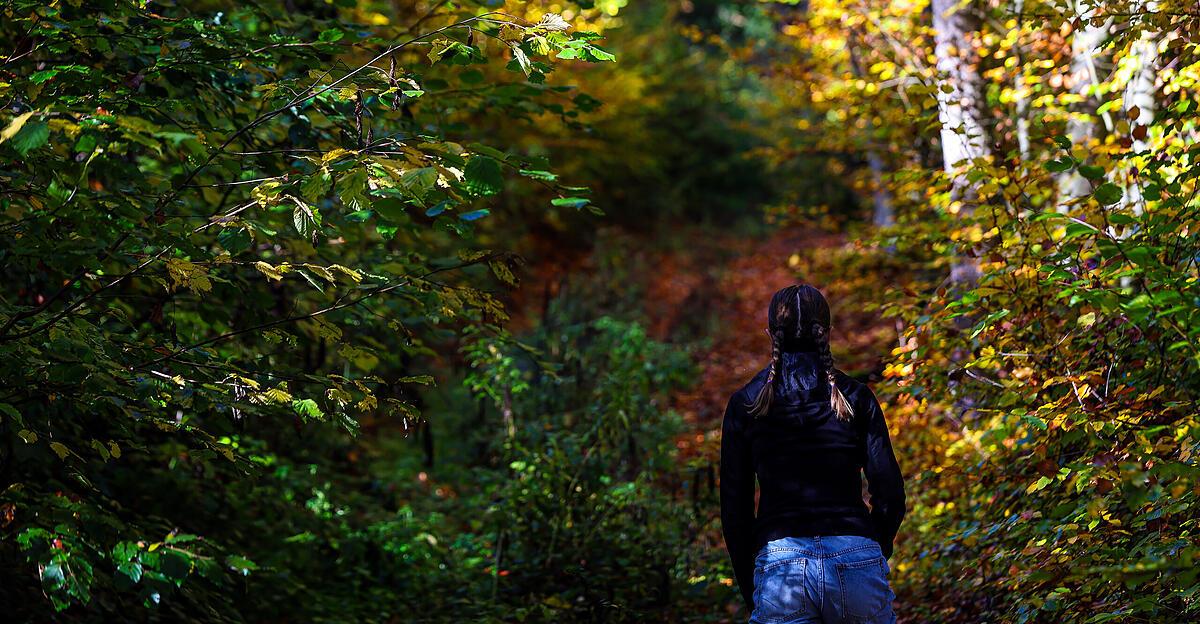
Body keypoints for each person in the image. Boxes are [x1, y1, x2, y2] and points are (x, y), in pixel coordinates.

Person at [720, 284, 906, 623]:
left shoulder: (745, 404)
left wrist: (752, 587)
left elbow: (736, 509)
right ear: (828, 332)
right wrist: (871, 548)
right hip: (856, 556)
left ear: (769, 334)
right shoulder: (856, 397)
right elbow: (890, 494)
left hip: (782, 567)